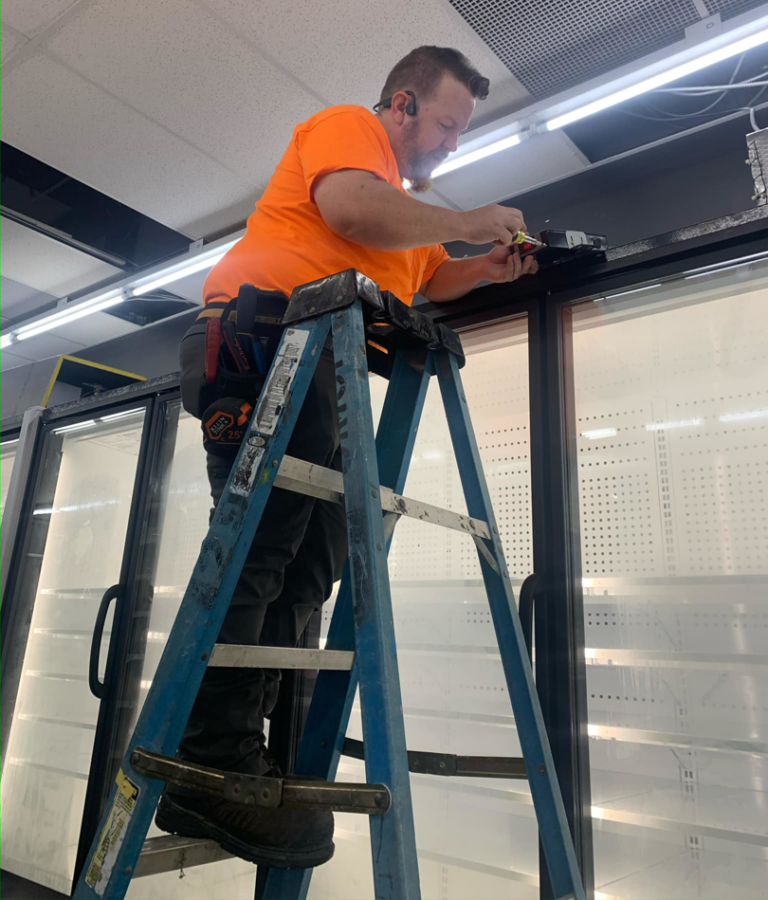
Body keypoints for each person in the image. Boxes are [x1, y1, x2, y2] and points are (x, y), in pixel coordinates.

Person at [156, 46, 538, 868]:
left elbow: (430, 278)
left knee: (310, 567)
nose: (450, 146)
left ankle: (255, 757)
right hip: (264, 341)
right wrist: (469, 220)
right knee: (261, 550)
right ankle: (206, 754)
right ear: (401, 105)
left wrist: (486, 265)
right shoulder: (347, 132)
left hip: (327, 363)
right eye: (445, 124)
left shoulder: (406, 216)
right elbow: (354, 214)